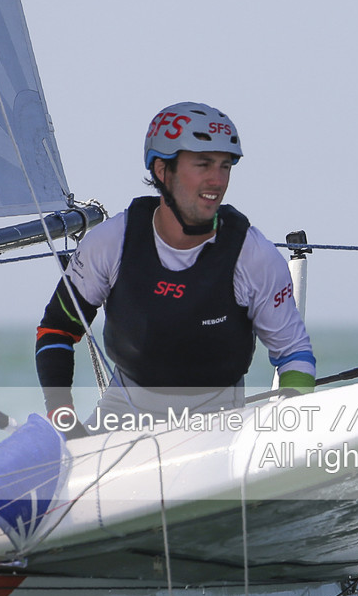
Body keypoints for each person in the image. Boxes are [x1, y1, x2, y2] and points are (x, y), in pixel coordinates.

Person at [35, 101, 315, 431]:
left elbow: (294, 353)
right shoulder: (111, 243)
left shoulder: (253, 255)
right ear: (161, 170)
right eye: (203, 164)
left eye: (225, 166)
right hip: (121, 417)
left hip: (219, 423)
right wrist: (65, 423)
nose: (217, 180)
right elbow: (56, 330)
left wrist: (288, 426)